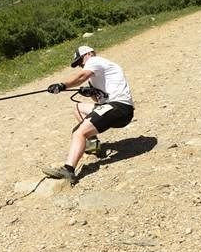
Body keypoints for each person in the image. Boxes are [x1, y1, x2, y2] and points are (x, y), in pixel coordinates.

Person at [42, 45, 134, 185]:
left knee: (79, 133)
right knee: (78, 109)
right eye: (79, 64)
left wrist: (62, 85)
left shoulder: (95, 61)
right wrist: (91, 93)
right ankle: (93, 145)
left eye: (81, 61)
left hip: (119, 107)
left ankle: (68, 170)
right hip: (115, 109)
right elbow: (98, 101)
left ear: (89, 54)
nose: (81, 65)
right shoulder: (95, 75)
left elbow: (81, 76)